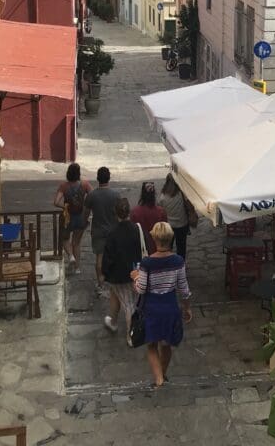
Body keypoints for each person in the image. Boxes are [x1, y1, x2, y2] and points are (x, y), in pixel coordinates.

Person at [132, 221, 192, 388]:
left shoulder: (147, 263)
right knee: (166, 344)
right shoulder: (178, 261)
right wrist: (187, 307)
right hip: (170, 306)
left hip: (152, 307)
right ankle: (163, 375)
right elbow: (183, 288)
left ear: (154, 238)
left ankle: (158, 379)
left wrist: (135, 278)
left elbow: (142, 289)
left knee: (152, 344)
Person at [101, 197, 143, 335]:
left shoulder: (112, 233)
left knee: (128, 306)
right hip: (134, 271)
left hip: (118, 274)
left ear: (116, 213)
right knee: (116, 295)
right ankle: (112, 321)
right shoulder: (136, 229)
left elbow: (108, 256)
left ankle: (131, 336)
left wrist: (105, 273)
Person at [83, 166, 119, 296]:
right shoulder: (116, 195)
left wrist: (84, 223)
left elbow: (85, 214)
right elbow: (119, 214)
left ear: (98, 178)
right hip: (113, 231)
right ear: (109, 178)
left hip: (98, 230)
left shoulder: (92, 195)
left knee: (99, 257)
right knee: (113, 257)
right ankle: (113, 281)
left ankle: (100, 283)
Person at [53, 163, 91, 273]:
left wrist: (65, 206)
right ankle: (77, 268)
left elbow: (56, 202)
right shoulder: (85, 185)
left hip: (67, 217)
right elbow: (92, 196)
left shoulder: (63, 186)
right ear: (78, 173)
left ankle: (70, 256)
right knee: (76, 243)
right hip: (80, 217)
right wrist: (84, 206)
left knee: (64, 239)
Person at [158, 173, 193, 260]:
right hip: (182, 224)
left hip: (169, 226)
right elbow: (189, 204)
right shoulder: (181, 193)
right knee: (181, 247)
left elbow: (161, 210)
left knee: (168, 247)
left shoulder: (162, 197)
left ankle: (169, 265)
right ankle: (181, 265)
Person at [130, 181, 167, 252]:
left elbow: (132, 234)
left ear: (142, 194)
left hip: (141, 248)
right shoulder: (161, 212)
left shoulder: (134, 212)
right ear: (154, 194)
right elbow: (164, 233)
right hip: (158, 248)